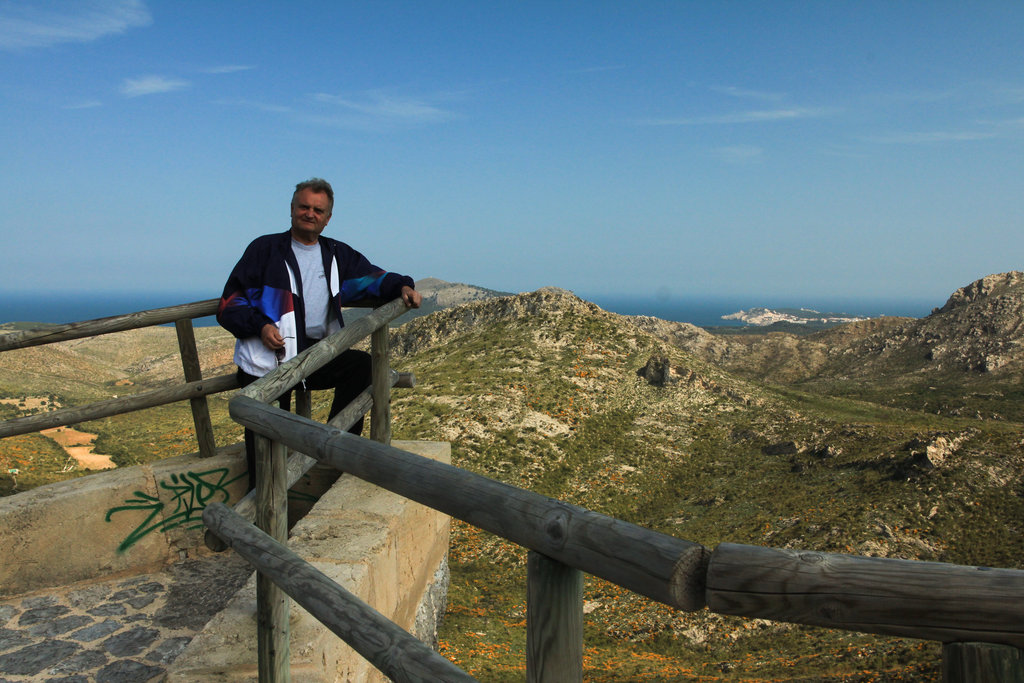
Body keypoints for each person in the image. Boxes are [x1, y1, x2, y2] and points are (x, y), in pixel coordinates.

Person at [217, 178, 421, 487]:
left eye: (317, 209)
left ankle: (334, 450)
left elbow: (372, 280)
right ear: (292, 209)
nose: (309, 213)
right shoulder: (265, 250)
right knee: (265, 443)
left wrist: (403, 285)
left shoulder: (336, 254)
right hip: (266, 361)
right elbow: (229, 304)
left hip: (311, 356)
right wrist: (260, 325)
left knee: (362, 368)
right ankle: (261, 507)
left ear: (327, 218)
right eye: (304, 207)